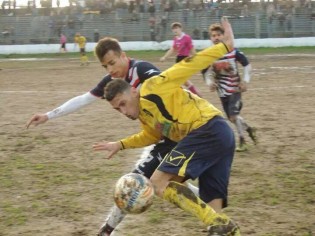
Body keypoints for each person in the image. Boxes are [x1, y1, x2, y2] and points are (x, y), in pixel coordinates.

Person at [26, 37, 200, 236]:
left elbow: (168, 84)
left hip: (182, 131)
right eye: (104, 66)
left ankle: (106, 231)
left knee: (138, 181)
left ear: (123, 56)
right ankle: (209, 200)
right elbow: (84, 99)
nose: (109, 70)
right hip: (164, 136)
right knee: (163, 182)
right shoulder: (113, 82)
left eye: (112, 63)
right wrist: (49, 115)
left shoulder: (142, 70)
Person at [93, 17, 241, 236]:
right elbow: (149, 136)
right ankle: (222, 227)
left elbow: (186, 66)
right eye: (118, 110)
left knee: (158, 182)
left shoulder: (153, 88)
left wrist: (224, 47)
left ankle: (220, 224)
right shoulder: (145, 115)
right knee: (212, 210)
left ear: (134, 91)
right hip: (221, 137)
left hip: (207, 128)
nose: (123, 112)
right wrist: (121, 144)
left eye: (123, 104)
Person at [201, 23, 257, 152]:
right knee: (233, 118)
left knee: (232, 117)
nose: (216, 38)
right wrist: (209, 82)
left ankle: (242, 141)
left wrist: (245, 81)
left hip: (235, 89)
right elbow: (204, 72)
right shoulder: (209, 55)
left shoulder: (233, 51)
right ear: (211, 38)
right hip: (222, 92)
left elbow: (247, 65)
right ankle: (249, 129)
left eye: (219, 35)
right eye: (213, 36)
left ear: (224, 36)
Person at [160, 21, 202, 97]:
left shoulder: (186, 38)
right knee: (183, 80)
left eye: (176, 28)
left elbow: (191, 49)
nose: (175, 30)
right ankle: (195, 93)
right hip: (178, 60)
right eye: (173, 28)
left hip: (185, 59)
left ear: (181, 28)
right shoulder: (176, 39)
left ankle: (192, 94)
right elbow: (172, 49)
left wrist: (197, 58)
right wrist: (165, 57)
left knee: (179, 78)